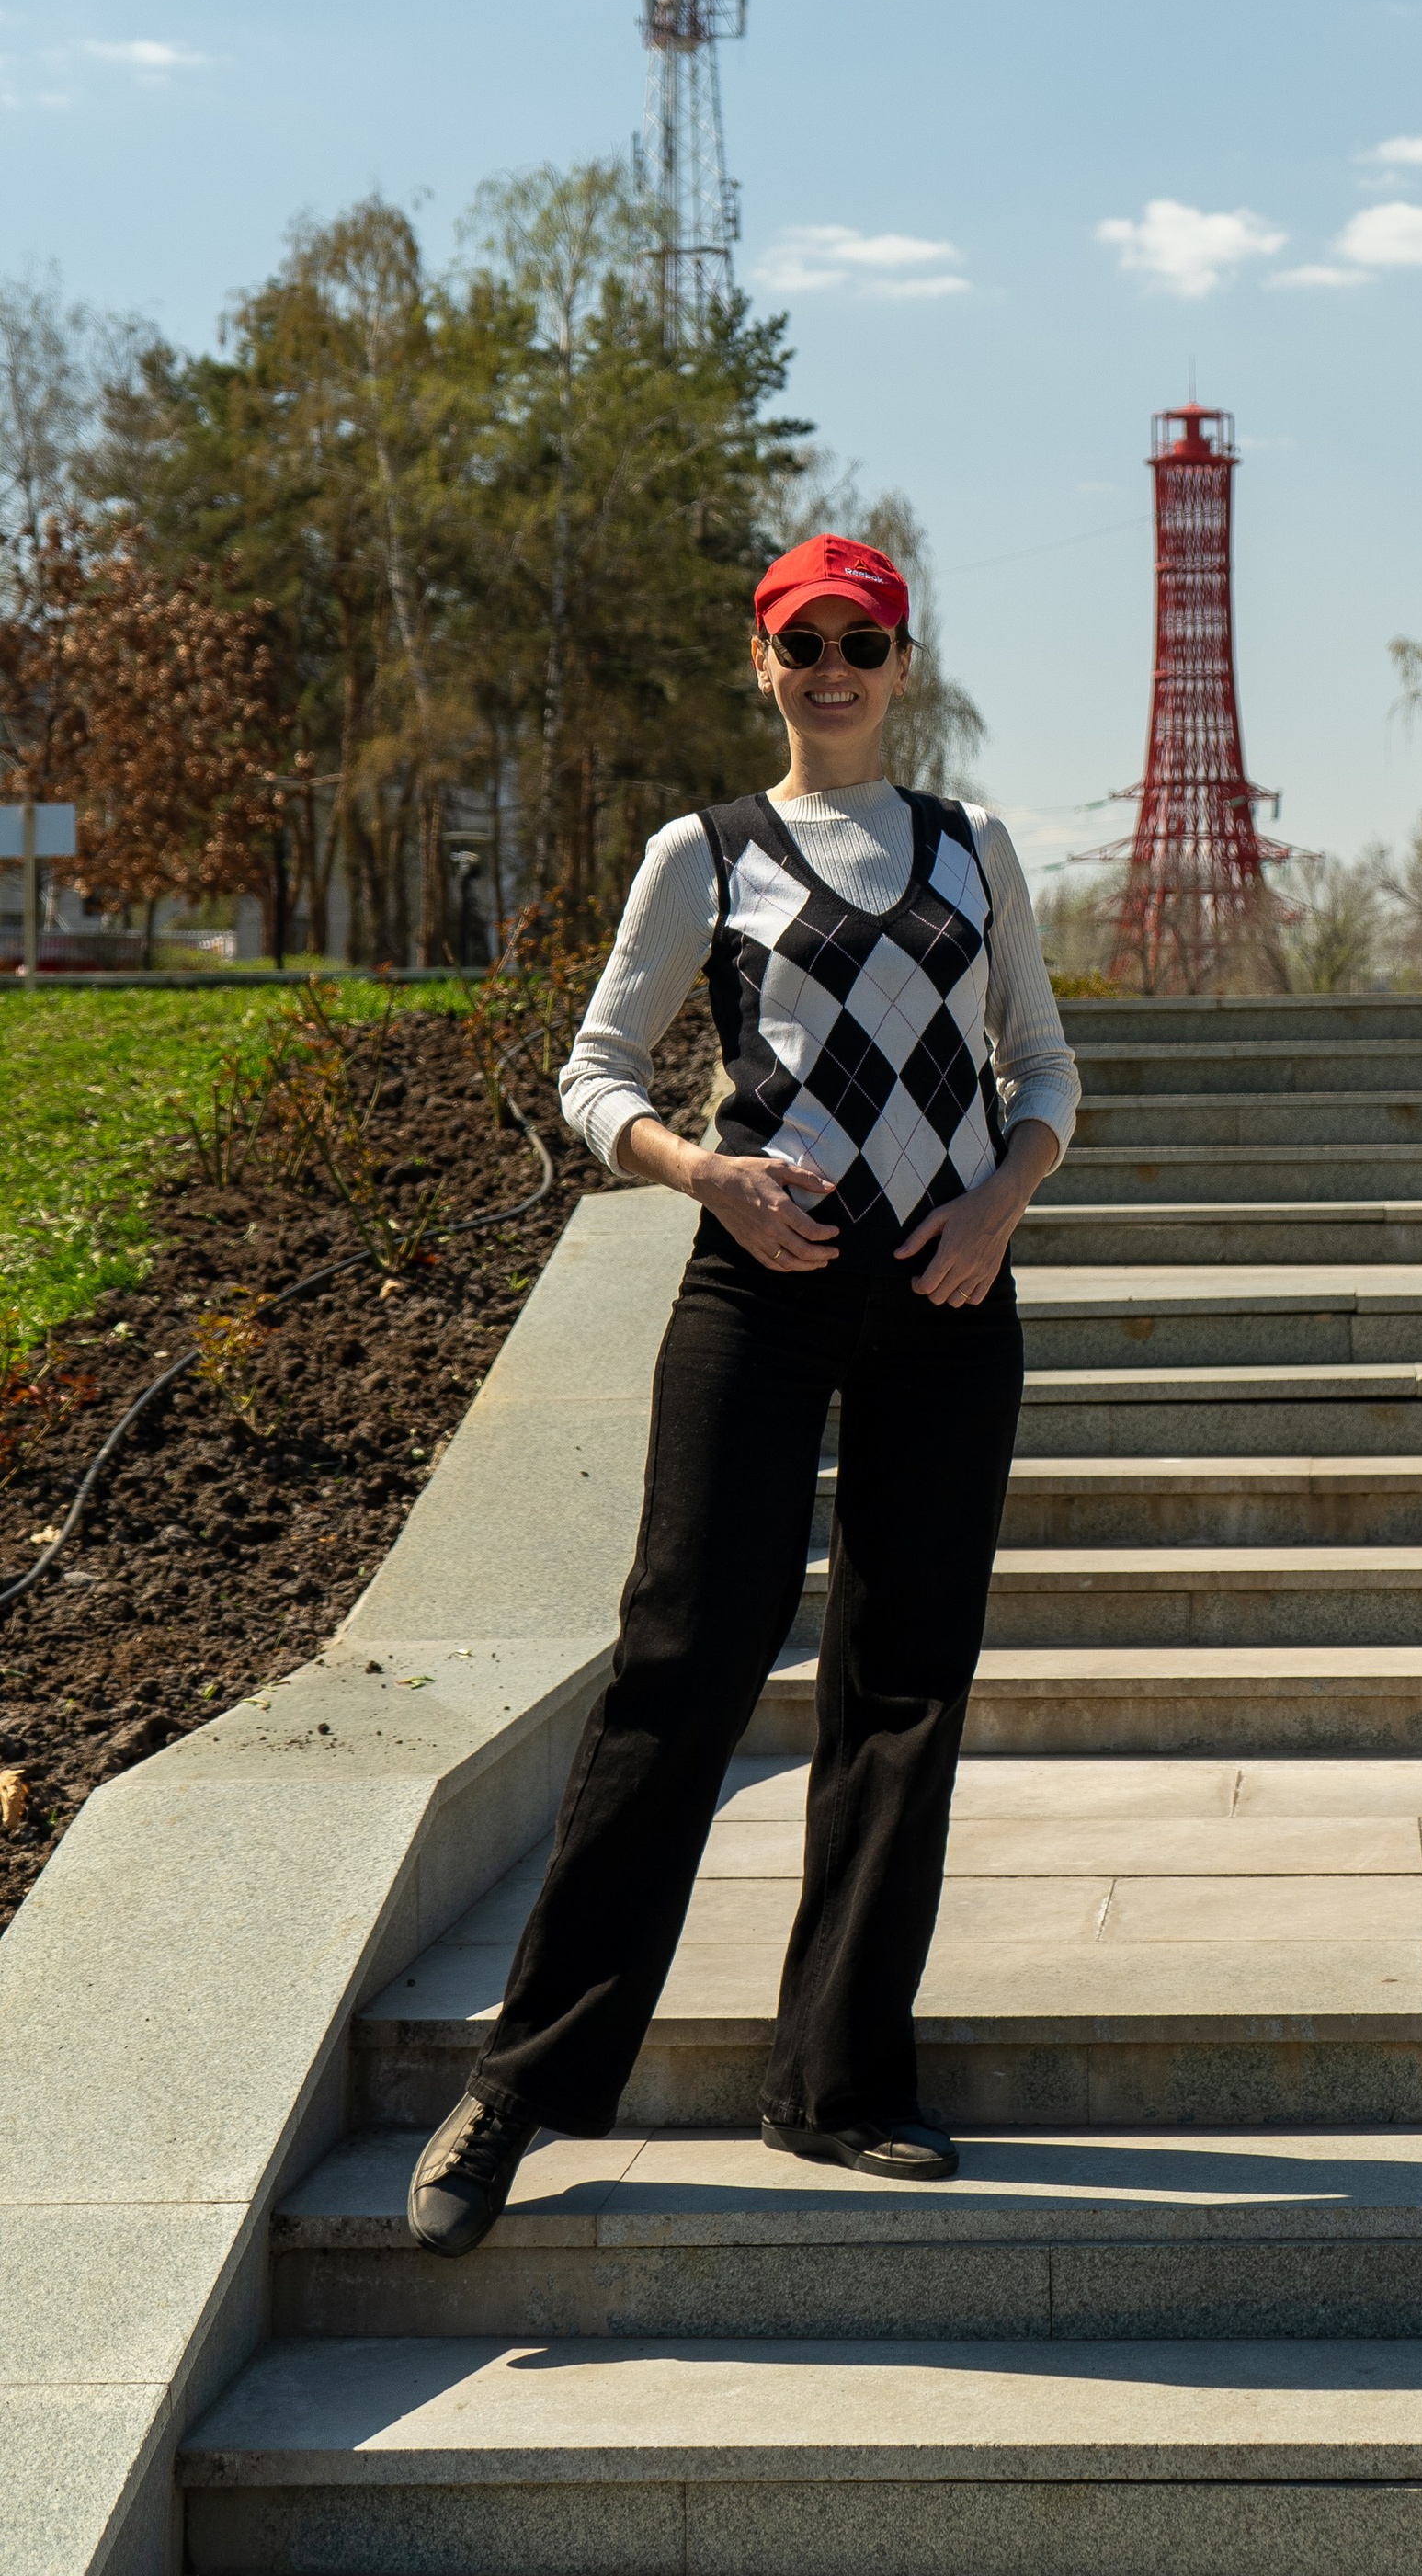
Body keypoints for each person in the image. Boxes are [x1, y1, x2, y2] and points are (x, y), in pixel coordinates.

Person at [404, 532, 1080, 2255]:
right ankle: (522, 2091)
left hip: (947, 1299)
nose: (835, 667)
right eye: (806, 643)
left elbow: (1045, 1068)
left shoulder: (970, 846)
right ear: (762, 663)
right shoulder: (702, 856)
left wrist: (1000, 1206)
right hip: (757, 1296)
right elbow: (592, 1074)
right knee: (679, 1666)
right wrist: (704, 1174)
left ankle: (843, 2084)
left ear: (901, 665)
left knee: (903, 1685)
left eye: (864, 640)